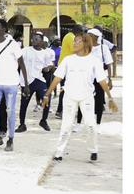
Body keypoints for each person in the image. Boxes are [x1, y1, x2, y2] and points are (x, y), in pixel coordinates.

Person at [42, 32, 117, 162]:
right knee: (66, 126)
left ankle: (93, 150)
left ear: (86, 44)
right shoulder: (68, 60)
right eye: (74, 41)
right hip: (69, 97)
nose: (74, 43)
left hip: (86, 97)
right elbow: (57, 78)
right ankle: (59, 152)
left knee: (91, 126)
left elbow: (101, 80)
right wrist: (47, 94)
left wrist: (110, 98)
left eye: (78, 41)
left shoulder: (94, 61)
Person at [0, 19, 29, 152]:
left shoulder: (13, 45)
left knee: (10, 111)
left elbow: (22, 64)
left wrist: (25, 83)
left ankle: (10, 139)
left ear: (4, 30)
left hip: (11, 84)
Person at [17, 32, 53, 132]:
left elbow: (50, 64)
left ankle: (43, 120)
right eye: (33, 39)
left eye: (37, 39)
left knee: (46, 100)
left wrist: (48, 67)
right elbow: (17, 60)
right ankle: (22, 124)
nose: (34, 41)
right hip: (26, 81)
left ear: (41, 41)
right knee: (24, 104)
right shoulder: (25, 50)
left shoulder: (45, 53)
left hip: (39, 79)